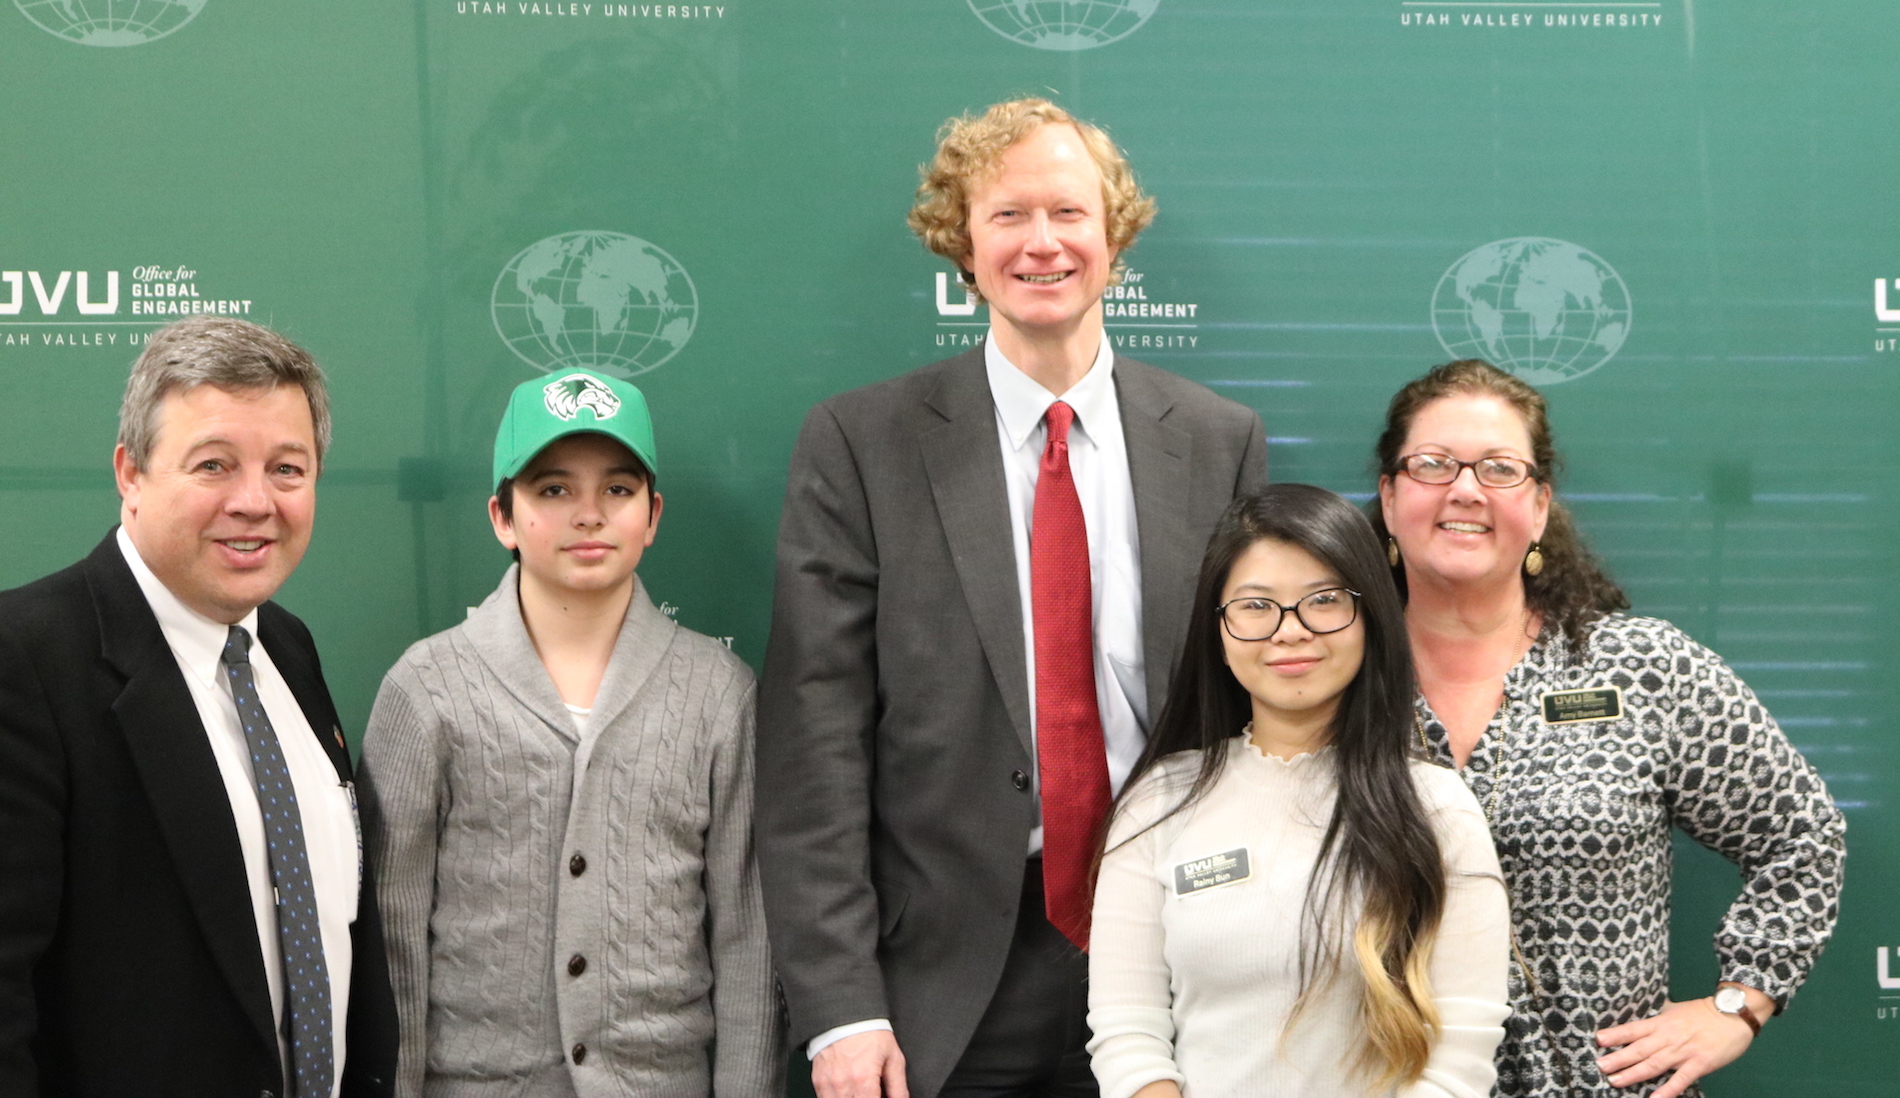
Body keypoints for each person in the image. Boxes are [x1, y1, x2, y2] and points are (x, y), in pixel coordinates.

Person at [756, 97, 1269, 1098]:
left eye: (1070, 213)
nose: (1043, 244)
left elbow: (1263, 709)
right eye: (1009, 216)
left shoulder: (1217, 440)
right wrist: (842, 1010)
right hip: (939, 982)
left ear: (1114, 234)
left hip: (1175, 954)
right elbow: (811, 748)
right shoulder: (864, 445)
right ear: (963, 244)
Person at [1369, 359, 1847, 1098]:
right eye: (1433, 464)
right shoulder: (1333, 681)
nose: (1464, 489)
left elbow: (1804, 834)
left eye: (1499, 468)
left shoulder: (1640, 667)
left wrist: (1739, 1005)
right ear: (1390, 494)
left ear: (1538, 505)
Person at [0, 315, 399, 1097]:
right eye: (214, 465)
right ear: (131, 472)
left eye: (287, 469)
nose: (255, 502)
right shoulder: (25, 659)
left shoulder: (288, 646)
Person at [359, 368, 782, 1097]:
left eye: (617, 491)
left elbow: (748, 941)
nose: (589, 514)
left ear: (652, 515)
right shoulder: (426, 687)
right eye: (553, 490)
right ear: (502, 516)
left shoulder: (720, 692)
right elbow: (392, 943)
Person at [1088, 485, 1511, 1098]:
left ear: (1370, 620)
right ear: (1219, 630)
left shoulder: (1437, 807)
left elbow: (1461, 1057)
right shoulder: (1158, 803)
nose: (1290, 632)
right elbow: (1128, 1031)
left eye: (1324, 601)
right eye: (1255, 606)